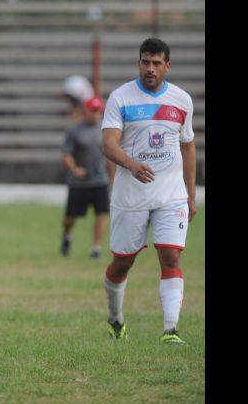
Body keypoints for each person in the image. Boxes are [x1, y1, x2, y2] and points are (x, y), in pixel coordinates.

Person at [100, 38, 197, 345]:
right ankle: (115, 317)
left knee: (170, 256)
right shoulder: (121, 98)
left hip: (171, 196)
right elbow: (108, 144)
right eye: (145, 62)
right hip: (131, 197)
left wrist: (191, 195)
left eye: (156, 63)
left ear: (167, 66)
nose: (150, 68)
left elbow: (188, 145)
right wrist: (131, 164)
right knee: (122, 262)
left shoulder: (181, 100)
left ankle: (171, 330)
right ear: (138, 63)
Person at [59, 75, 110, 259]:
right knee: (70, 218)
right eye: (92, 110)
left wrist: (113, 179)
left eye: (98, 111)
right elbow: (66, 154)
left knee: (102, 214)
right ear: (86, 111)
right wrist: (73, 169)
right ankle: (66, 235)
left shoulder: (106, 130)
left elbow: (110, 156)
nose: (95, 114)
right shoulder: (75, 130)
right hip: (79, 182)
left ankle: (96, 248)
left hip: (99, 180)